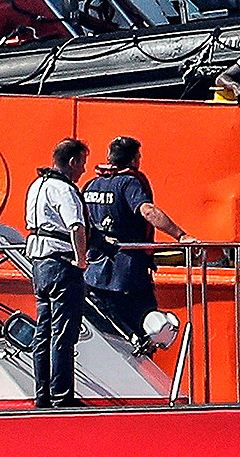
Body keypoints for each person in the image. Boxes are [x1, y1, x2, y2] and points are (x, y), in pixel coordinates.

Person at [82, 136, 191, 347]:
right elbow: (147, 211)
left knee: (107, 341)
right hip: (128, 277)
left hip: (94, 278)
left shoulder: (91, 185)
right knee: (148, 333)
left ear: (109, 157)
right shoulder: (130, 183)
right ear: (133, 159)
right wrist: (180, 235)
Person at [25, 139, 89, 407]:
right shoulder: (64, 189)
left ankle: (42, 394)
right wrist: (81, 260)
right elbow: (76, 226)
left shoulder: (36, 186)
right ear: (72, 162)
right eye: (82, 162)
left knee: (43, 331)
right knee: (63, 332)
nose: (83, 169)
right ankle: (62, 396)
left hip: (39, 264)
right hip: (61, 263)